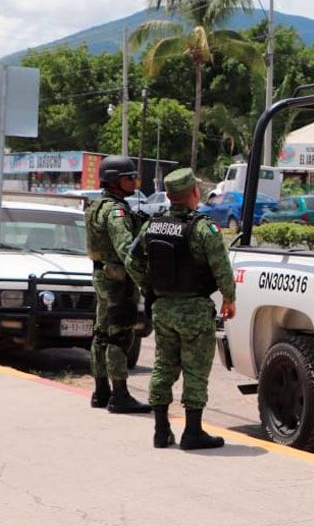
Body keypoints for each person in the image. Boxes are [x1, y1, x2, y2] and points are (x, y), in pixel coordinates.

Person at [126, 168, 237, 450]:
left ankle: (161, 431)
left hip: (163, 309)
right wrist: (229, 298)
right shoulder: (203, 228)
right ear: (194, 193)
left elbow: (131, 261)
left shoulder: (152, 226)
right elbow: (222, 268)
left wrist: (149, 286)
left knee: (163, 367)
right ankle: (193, 432)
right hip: (195, 310)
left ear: (168, 195)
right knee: (195, 370)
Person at [84, 156, 151, 414]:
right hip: (118, 281)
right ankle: (120, 395)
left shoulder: (97, 206)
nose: (135, 181)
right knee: (119, 335)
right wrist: (146, 282)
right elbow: (127, 251)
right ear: (114, 180)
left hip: (102, 276)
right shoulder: (116, 212)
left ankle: (101, 392)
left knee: (101, 333)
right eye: (129, 178)